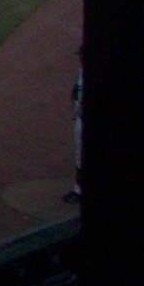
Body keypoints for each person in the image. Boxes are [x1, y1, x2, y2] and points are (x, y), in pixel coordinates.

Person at [66, 44, 84, 203]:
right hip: (80, 121)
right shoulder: (81, 72)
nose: (80, 59)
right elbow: (76, 90)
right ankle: (78, 190)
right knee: (79, 157)